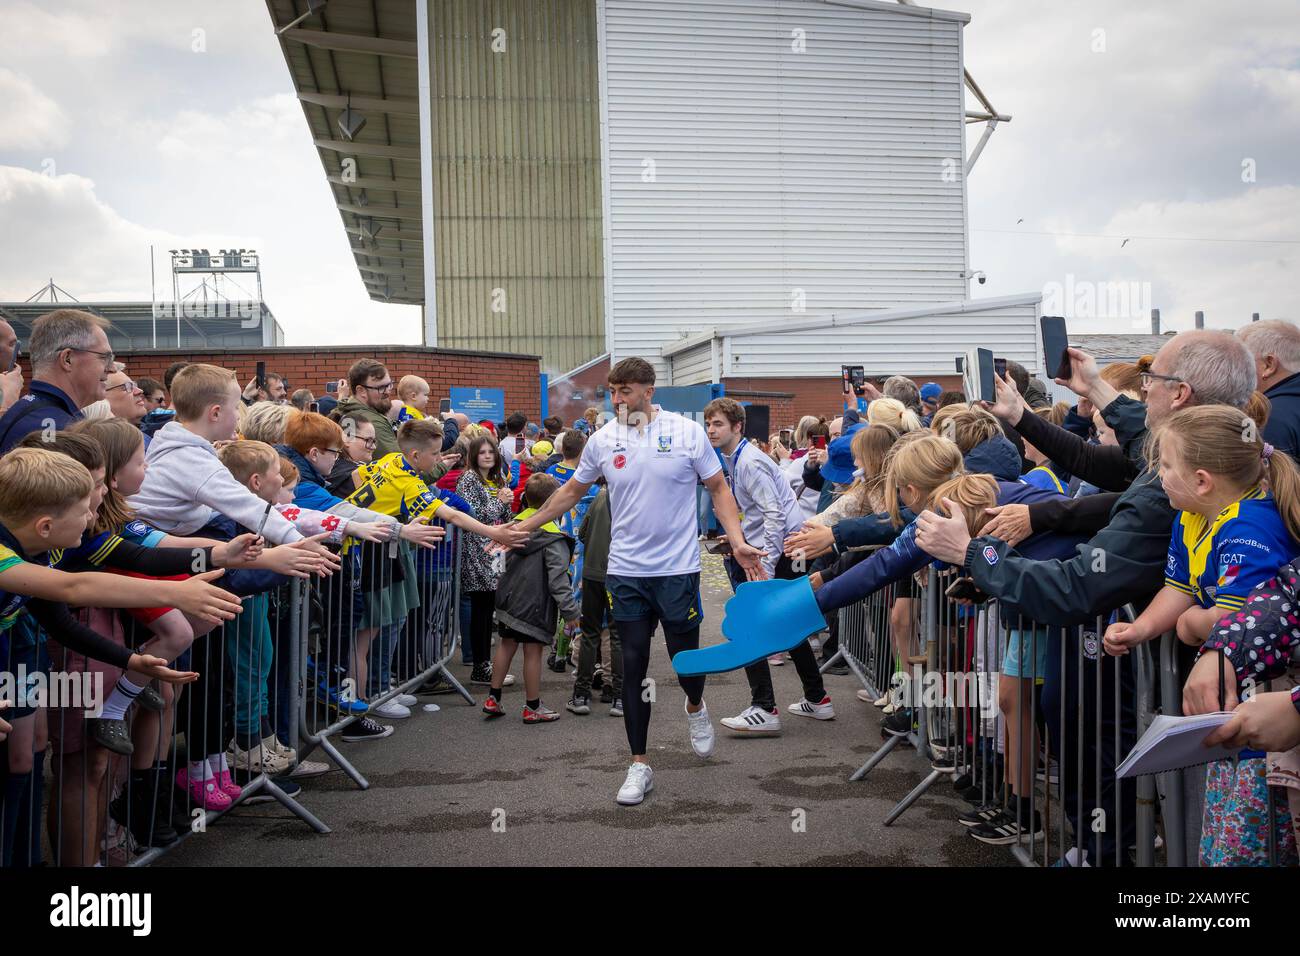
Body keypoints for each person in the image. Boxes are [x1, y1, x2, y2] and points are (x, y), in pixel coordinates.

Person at [515, 357, 763, 806]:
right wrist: (528, 525)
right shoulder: (603, 439)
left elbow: (718, 488)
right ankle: (639, 764)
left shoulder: (686, 434)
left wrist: (737, 539)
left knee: (685, 660)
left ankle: (695, 706)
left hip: (677, 571)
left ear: (649, 391)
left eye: (625, 391)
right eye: (612, 391)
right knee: (631, 666)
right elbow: (571, 491)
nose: (616, 399)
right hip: (626, 571)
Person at [1102, 404, 1300, 865]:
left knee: (1252, 840)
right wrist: (1142, 628)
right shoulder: (1190, 518)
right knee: (1223, 828)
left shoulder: (1251, 526)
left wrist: (1191, 623)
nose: (1159, 475)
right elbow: (1178, 587)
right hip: (1234, 708)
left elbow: (1246, 614)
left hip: (1262, 709)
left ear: (1203, 480)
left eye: (1166, 465)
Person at [703, 398, 832, 735]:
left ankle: (764, 707)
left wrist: (768, 567)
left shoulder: (749, 462)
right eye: (708, 424)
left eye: (718, 424)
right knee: (789, 625)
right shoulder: (736, 459)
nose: (711, 430)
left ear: (737, 426)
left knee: (749, 625)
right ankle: (817, 699)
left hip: (774, 553)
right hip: (775, 551)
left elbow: (774, 513)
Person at [482, 474, 581, 723]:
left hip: (508, 599)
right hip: (535, 604)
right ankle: (532, 706)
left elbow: (497, 564)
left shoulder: (511, 527)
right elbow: (558, 580)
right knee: (533, 653)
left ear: (525, 497)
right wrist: (571, 613)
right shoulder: (553, 538)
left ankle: (493, 698)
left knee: (506, 645)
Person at [0, 309, 112, 453]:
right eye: (104, 357)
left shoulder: (34, 413)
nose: (111, 367)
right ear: (68, 359)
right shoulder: (57, 429)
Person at [456, 434, 515, 684]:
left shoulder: (497, 479)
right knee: (481, 608)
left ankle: (485, 664)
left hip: (497, 550)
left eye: (491, 451)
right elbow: (477, 518)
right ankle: (480, 666)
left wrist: (507, 502)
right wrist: (500, 501)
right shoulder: (468, 479)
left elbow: (504, 516)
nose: (488, 456)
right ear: (473, 456)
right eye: (482, 452)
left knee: (489, 607)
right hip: (477, 551)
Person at [566, 481, 623, 716]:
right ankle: (618, 696)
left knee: (590, 633)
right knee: (617, 635)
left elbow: (582, 532)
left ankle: (581, 694)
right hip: (620, 573)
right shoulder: (632, 498)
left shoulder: (600, 496)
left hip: (593, 572)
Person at [1237, 319, 1300, 457]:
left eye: (1242, 362)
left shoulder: (1263, 417)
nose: (1235, 371)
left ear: (1268, 365)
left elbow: (1254, 476)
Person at [336, 358, 402, 458]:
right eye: (381, 388)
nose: (388, 391)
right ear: (361, 390)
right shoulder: (371, 423)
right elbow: (400, 466)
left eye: (389, 385)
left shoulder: (348, 411)